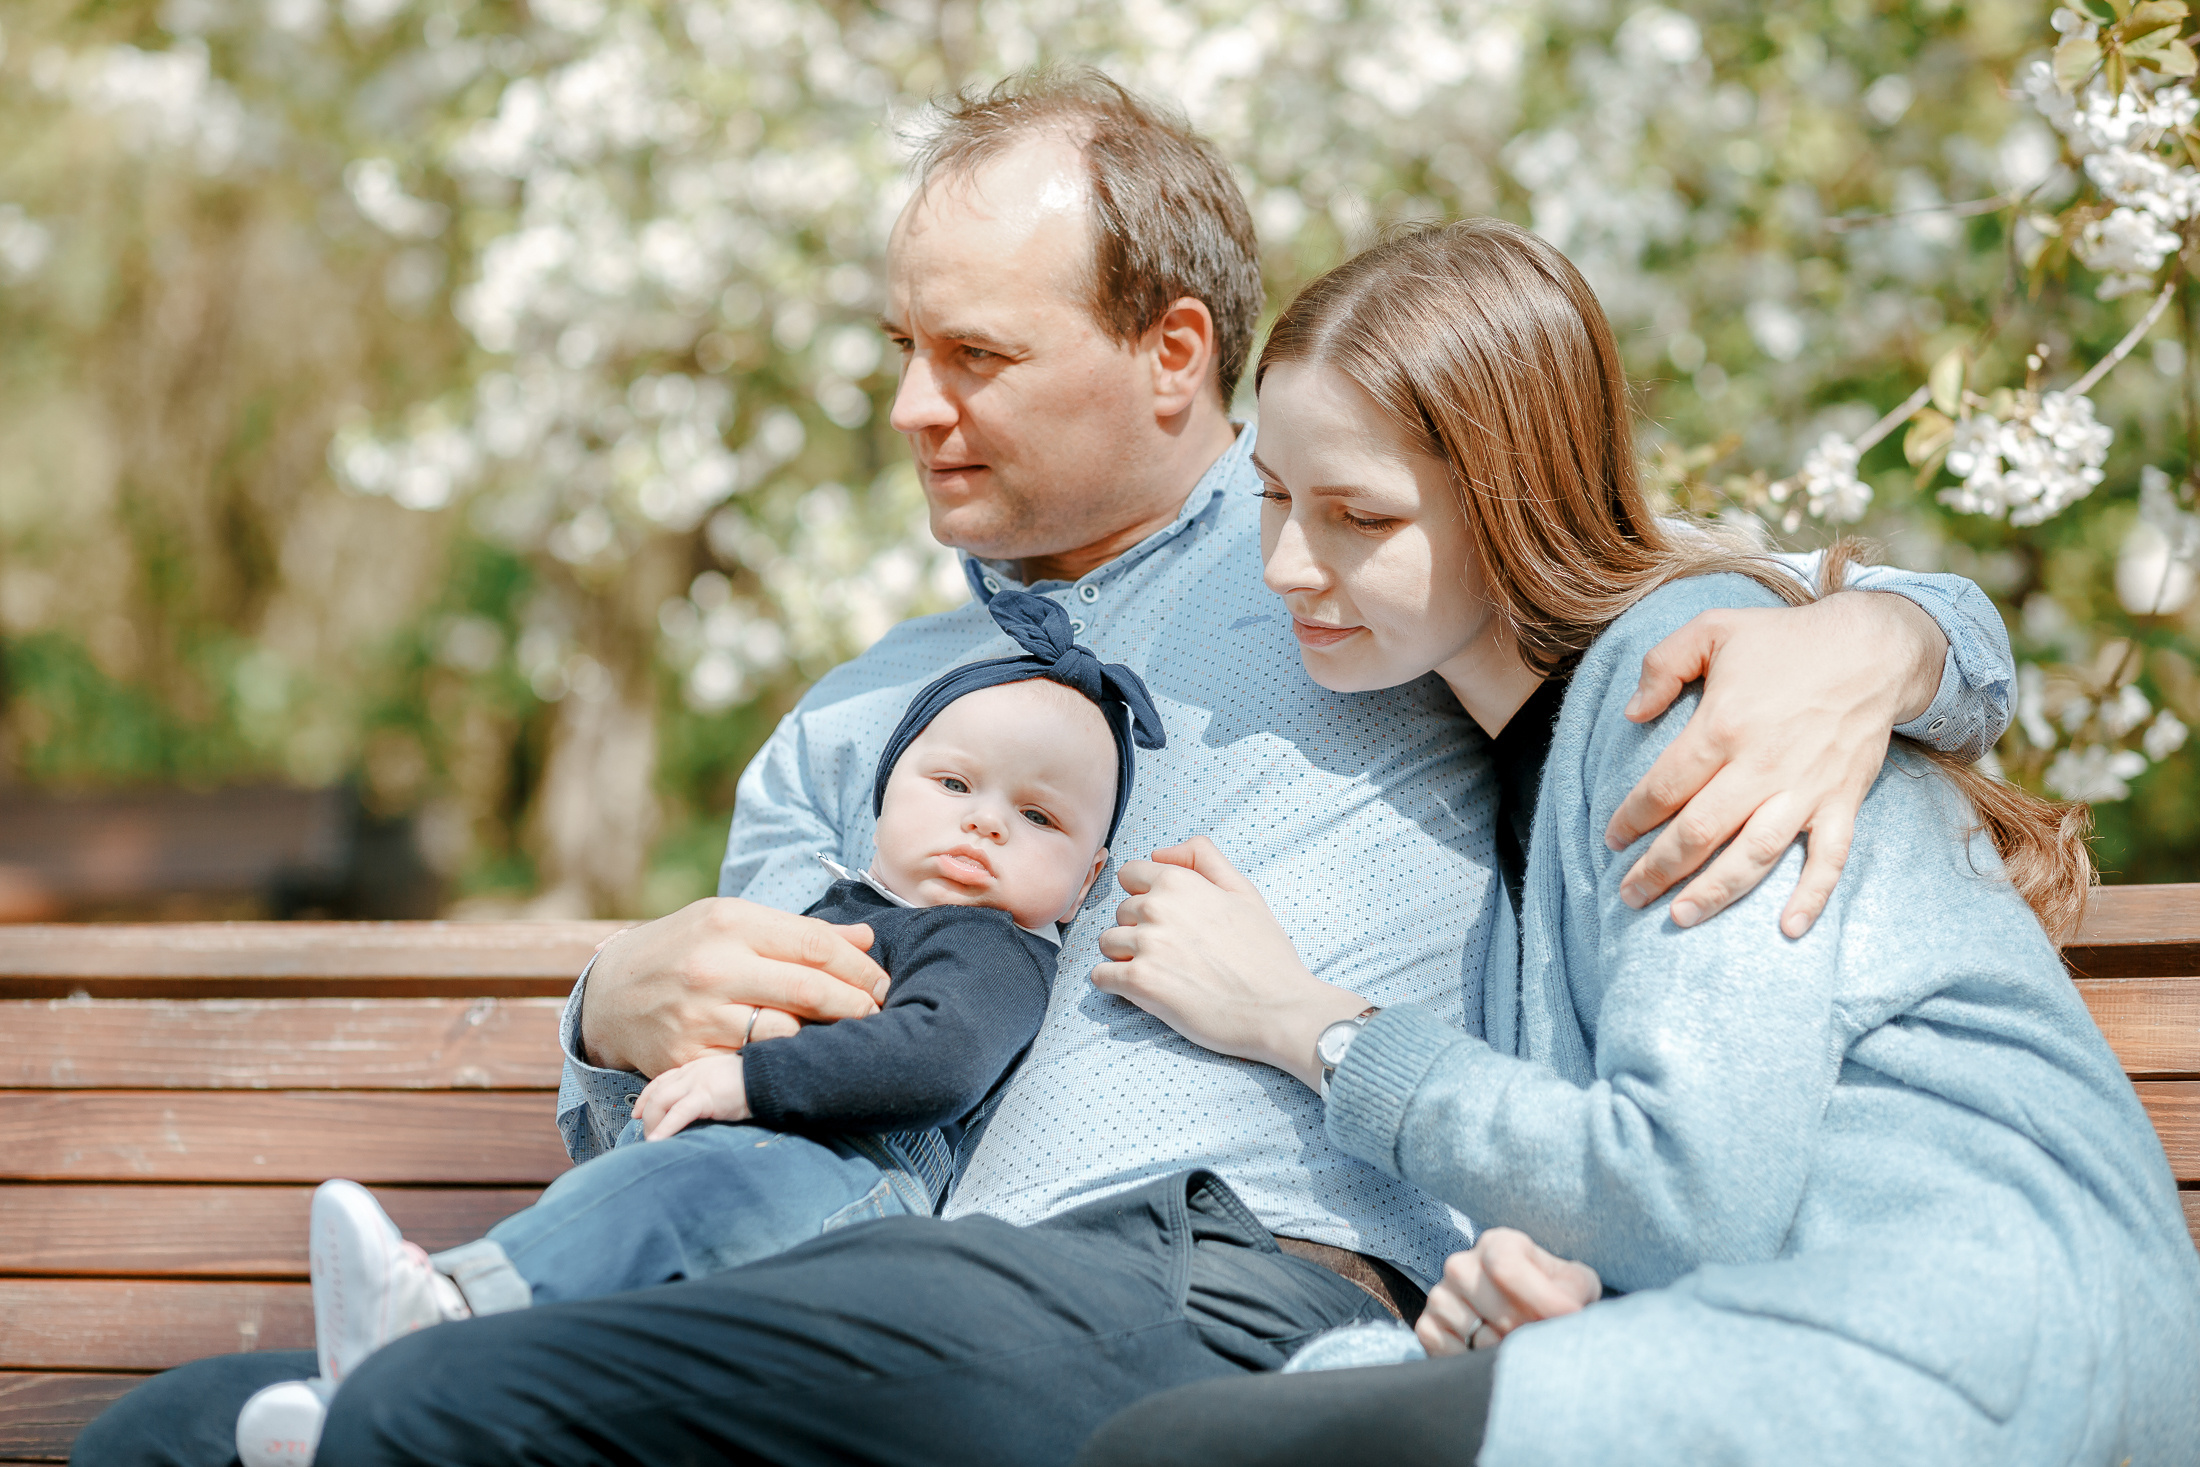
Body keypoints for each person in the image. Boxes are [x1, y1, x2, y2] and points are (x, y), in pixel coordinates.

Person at [75, 72, 2021, 1467]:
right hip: (873, 1299)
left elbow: (1690, 585)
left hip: (1238, 1278)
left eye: (977, 357)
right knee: (168, 1430)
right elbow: (717, 1153)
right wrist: (611, 1017)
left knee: (442, 1405)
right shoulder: (853, 723)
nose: (909, 407)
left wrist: (1890, 639)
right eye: (899, 346)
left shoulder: (1355, 568)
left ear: (1171, 353)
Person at [1075, 219, 2200, 1466]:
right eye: (1275, 498)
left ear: (1512, 502)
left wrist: (1305, 1025)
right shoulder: (1533, 776)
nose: (1288, 565)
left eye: (1360, 516)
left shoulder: (1689, 684)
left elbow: (1682, 1191)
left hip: (1978, 1346)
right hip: (1819, 1345)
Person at [229, 590, 1161, 1466]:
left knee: (662, 1204)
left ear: (1084, 880)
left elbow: (939, 1061)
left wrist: (747, 1080)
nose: (985, 824)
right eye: (954, 782)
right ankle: (359, 1410)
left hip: (848, 1176)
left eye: (1037, 815)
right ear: (883, 795)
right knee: (606, 1254)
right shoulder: (841, 905)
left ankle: (441, 1308)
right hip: (750, 1166)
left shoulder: (991, 946)